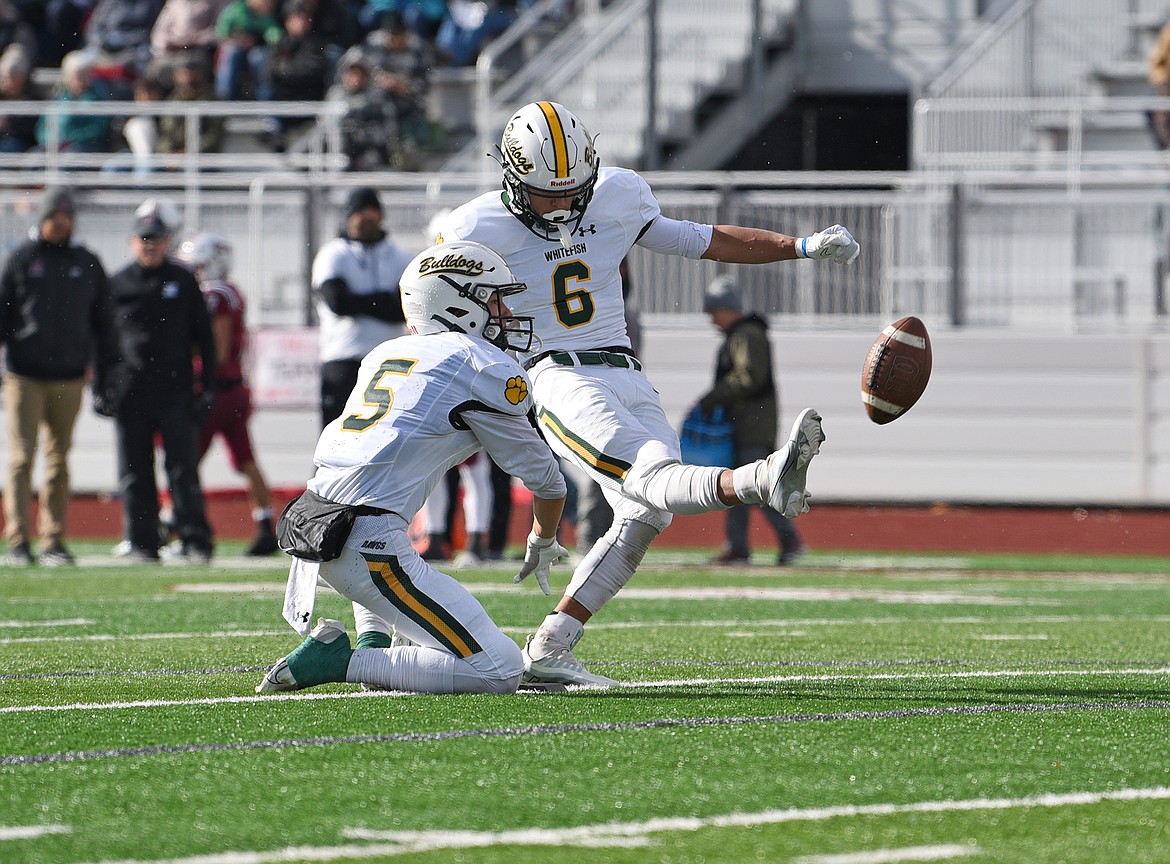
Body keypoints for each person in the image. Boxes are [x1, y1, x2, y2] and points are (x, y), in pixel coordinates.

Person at [435, 100, 858, 687]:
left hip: (627, 369)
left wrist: (801, 247)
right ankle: (765, 477)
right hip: (556, 376)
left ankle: (552, 645)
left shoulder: (616, 195)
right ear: (510, 177)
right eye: (546, 193)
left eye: (572, 191)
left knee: (648, 511)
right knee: (655, 475)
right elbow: (433, 305)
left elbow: (704, 239)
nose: (561, 205)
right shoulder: (473, 228)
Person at [254, 239, 569, 696]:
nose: (505, 313)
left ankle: (373, 640)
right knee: (498, 669)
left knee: (394, 538)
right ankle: (342, 661)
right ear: (459, 304)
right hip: (365, 542)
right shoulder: (480, 364)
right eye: (495, 299)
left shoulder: (385, 353)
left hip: (314, 522)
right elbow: (547, 480)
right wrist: (543, 539)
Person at [94, 198, 217, 563]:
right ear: (133, 241)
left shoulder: (182, 279)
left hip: (175, 390)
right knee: (133, 470)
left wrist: (206, 386)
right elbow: (102, 342)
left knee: (182, 469)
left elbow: (205, 339)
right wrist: (100, 387)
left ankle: (195, 539)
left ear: (167, 241)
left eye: (157, 238)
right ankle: (142, 540)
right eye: (144, 238)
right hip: (130, 392)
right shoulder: (117, 283)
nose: (150, 245)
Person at [0, 187, 114, 566]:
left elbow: (104, 323)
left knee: (59, 458)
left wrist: (103, 372)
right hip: (24, 375)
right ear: (43, 217)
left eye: (66, 216)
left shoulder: (87, 262)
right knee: (21, 458)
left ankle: (53, 540)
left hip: (69, 376)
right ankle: (18, 540)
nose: (61, 222)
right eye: (55, 216)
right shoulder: (21, 258)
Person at [178, 232, 279, 556]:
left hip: (215, 391)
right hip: (232, 390)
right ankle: (265, 523)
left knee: (185, 461)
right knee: (245, 460)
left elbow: (217, 351)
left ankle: (177, 525)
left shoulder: (216, 294)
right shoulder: (228, 291)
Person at [698, 275, 806, 566]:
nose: (712, 320)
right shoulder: (743, 335)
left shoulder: (746, 335)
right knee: (738, 486)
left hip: (751, 426)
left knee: (757, 486)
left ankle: (788, 539)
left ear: (726, 308)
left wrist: (713, 397)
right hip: (746, 424)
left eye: (714, 312)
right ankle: (739, 547)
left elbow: (748, 377)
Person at [312, 186, 413, 427]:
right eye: (360, 212)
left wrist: (360, 302)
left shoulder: (400, 256)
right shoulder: (333, 254)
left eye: (372, 211)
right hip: (343, 358)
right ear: (348, 216)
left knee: (393, 434)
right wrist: (384, 301)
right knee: (335, 437)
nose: (366, 218)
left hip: (390, 361)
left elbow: (407, 308)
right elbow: (338, 302)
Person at [326, 45, 399, 171]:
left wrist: (361, 133)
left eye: (360, 74)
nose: (356, 79)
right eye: (352, 73)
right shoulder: (335, 95)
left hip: (371, 153)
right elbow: (327, 126)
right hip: (339, 153)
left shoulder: (377, 98)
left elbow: (388, 131)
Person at [35, 50, 114, 154]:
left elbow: (98, 129)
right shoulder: (57, 99)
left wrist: (71, 139)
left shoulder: (98, 98)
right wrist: (50, 141)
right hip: (53, 146)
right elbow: (41, 128)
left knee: (69, 160)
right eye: (77, 75)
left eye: (84, 74)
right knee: (34, 159)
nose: (80, 79)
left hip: (84, 147)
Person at [156, 50, 225, 155]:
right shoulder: (171, 101)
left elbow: (213, 136)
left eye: (192, 69)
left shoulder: (212, 101)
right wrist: (169, 153)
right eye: (183, 70)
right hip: (173, 158)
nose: (188, 75)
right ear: (176, 75)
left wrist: (188, 153)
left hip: (202, 157)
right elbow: (165, 133)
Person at [213, 0, 282, 101]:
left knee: (259, 57)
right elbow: (221, 32)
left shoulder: (265, 15)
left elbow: (274, 34)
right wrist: (239, 40)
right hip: (235, 48)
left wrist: (258, 39)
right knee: (232, 52)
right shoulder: (235, 10)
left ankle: (265, 99)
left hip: (255, 51)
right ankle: (226, 97)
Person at [0, 43, 38, 152]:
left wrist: (8, 124)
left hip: (20, 143)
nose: (5, 82)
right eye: (3, 77)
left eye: (12, 77)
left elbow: (30, 131)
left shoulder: (31, 99)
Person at [1150, 21, 1170, 150]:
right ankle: (1165, 151)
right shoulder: (1168, 33)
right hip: (1168, 83)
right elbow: (1156, 62)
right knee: (1156, 113)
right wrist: (1163, 81)